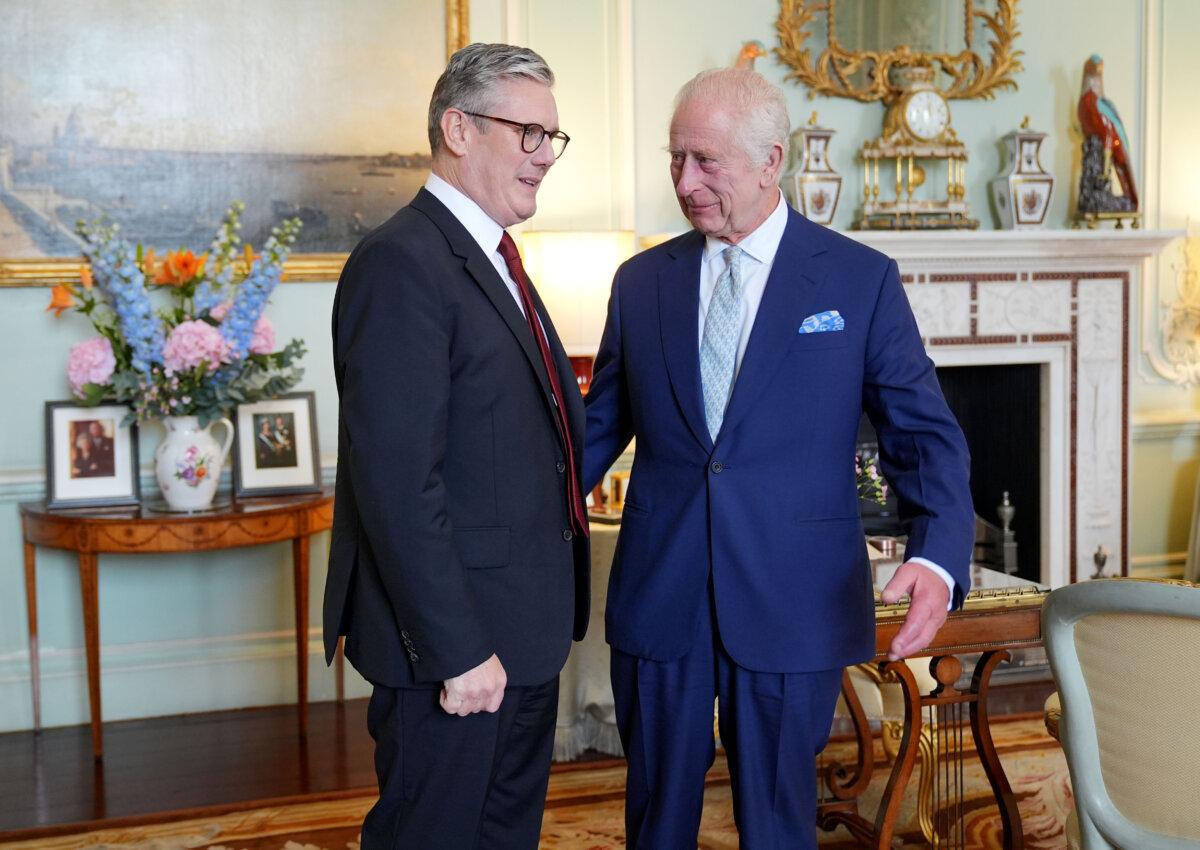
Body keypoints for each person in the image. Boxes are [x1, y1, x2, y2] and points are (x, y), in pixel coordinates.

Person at [583, 68, 974, 849]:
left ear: (772, 160)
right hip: (662, 595)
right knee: (654, 823)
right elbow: (595, 434)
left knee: (777, 827)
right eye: (675, 159)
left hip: (796, 597)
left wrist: (936, 558)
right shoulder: (640, 283)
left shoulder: (859, 281)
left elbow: (923, 434)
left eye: (706, 160)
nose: (684, 182)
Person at [322, 43, 589, 850]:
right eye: (527, 133)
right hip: (456, 653)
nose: (544, 156)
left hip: (522, 639)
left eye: (552, 137)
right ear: (458, 129)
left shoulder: (495, 258)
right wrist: (459, 650)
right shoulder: (401, 263)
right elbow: (398, 484)